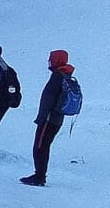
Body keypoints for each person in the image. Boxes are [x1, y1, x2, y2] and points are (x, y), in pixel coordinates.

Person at [21, 50, 74, 187]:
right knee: (44, 146)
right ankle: (40, 174)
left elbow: (48, 99)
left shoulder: (57, 77)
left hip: (49, 119)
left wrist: (41, 118)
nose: (49, 61)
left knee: (40, 146)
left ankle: (39, 176)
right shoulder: (66, 75)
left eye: (51, 59)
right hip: (57, 119)